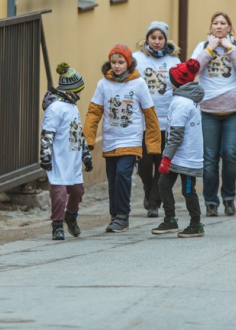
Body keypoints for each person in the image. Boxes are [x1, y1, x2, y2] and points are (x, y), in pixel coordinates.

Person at [84, 44, 161, 232]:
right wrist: (88, 139)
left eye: (121, 62)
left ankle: (123, 215)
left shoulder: (139, 83)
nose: (117, 66)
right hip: (111, 140)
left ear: (129, 63)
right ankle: (114, 215)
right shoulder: (103, 84)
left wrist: (152, 144)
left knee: (122, 175)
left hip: (131, 139)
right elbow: (94, 112)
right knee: (112, 179)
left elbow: (150, 115)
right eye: (113, 62)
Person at [190, 12, 236, 217]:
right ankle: (210, 201)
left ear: (229, 28)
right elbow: (192, 70)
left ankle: (229, 198)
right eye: (215, 23)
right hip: (208, 111)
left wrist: (230, 48)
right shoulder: (202, 47)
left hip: (235, 110)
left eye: (223, 23)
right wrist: (209, 49)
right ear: (210, 27)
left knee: (230, 154)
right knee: (209, 158)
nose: (218, 26)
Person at [152, 58, 205, 238]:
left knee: (188, 190)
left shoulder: (182, 103)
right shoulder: (186, 99)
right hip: (177, 155)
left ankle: (196, 224)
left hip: (186, 157)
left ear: (176, 81)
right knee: (163, 185)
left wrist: (165, 159)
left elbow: (176, 134)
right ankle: (170, 220)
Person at [133, 21, 181, 218]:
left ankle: (154, 202)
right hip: (144, 122)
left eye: (160, 38)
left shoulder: (173, 61)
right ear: (147, 39)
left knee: (162, 163)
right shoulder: (136, 59)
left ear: (166, 39)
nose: (156, 42)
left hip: (166, 120)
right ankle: (148, 188)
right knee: (144, 163)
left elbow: (180, 86)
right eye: (153, 38)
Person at [39, 63, 93, 241]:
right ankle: (57, 224)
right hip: (59, 158)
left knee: (77, 191)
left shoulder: (73, 107)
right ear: (70, 90)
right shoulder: (55, 109)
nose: (79, 95)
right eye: (78, 91)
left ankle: (71, 215)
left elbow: (77, 132)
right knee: (60, 193)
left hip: (73, 157)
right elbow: (47, 133)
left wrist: (86, 155)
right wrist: (45, 155)